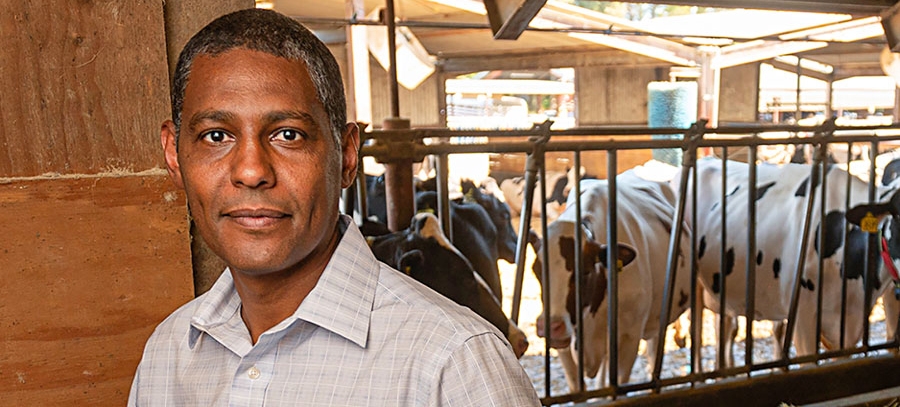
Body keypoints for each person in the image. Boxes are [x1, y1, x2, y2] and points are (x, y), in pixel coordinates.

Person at [128, 8, 540, 406]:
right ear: (174, 154)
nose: (251, 171)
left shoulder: (454, 365)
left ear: (345, 156)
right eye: (216, 136)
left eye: (287, 134)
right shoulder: (168, 356)